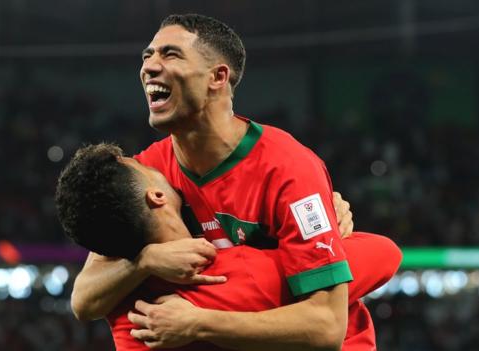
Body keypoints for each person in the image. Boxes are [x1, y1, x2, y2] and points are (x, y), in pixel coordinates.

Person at [70, 14, 402, 350]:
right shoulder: (148, 173)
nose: (149, 67)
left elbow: (327, 326)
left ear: (218, 76)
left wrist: (199, 323)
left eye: (170, 54)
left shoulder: (289, 168)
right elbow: (85, 299)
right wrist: (144, 262)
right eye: (147, 56)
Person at [56, 143, 401, 350]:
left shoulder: (124, 315)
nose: (152, 164)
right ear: (156, 196)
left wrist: (142, 261)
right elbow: (384, 254)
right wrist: (319, 228)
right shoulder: (240, 272)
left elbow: (84, 302)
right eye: (145, 168)